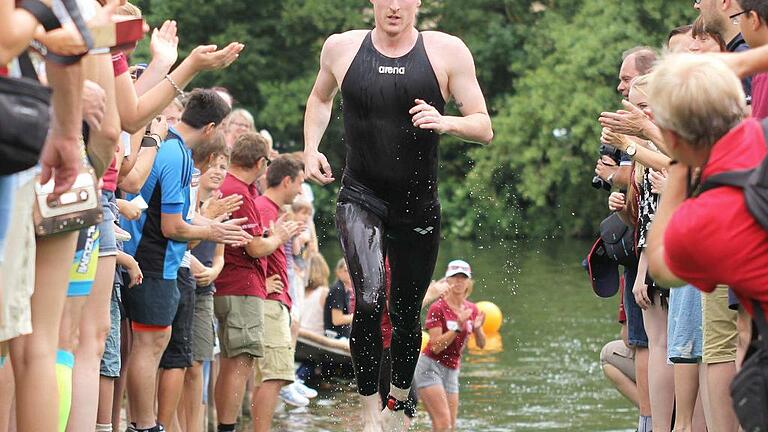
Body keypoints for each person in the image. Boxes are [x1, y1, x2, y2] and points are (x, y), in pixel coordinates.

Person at [303, 1, 492, 429]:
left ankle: (399, 402)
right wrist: (311, 147)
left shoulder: (447, 51)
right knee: (369, 299)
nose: (393, 6)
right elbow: (319, 99)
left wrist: (446, 123)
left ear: (417, 3)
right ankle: (371, 412)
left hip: (417, 206)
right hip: (360, 195)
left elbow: (483, 125)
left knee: (406, 314)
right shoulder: (341, 48)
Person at [644, 53, 762, 430]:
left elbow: (661, 266)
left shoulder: (705, 219)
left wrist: (678, 167)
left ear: (674, 138)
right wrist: (737, 65)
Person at [121, 89, 250, 432]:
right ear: (211, 128)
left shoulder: (169, 145)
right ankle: (144, 424)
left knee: (151, 345)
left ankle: (139, 422)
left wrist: (210, 225)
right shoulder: (178, 155)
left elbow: (177, 215)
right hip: (155, 260)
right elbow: (172, 225)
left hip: (149, 257)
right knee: (150, 346)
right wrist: (213, 234)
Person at [213, 133, 301, 432]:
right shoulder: (240, 190)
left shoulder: (230, 186)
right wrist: (279, 237)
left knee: (231, 362)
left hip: (229, 283)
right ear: (261, 163)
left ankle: (226, 425)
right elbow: (253, 247)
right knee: (239, 363)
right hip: (240, 286)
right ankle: (227, 427)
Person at [250, 155, 308, 424]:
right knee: (274, 375)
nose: (300, 190)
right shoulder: (263, 208)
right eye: (299, 183)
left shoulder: (273, 210)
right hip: (268, 302)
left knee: (270, 376)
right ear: (287, 181)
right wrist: (260, 284)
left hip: (275, 300)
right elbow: (245, 250)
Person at [413, 260, 485, 432]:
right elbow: (436, 346)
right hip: (429, 367)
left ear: (469, 282)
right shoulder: (438, 308)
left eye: (463, 277)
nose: (458, 282)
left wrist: (478, 329)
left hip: (452, 369)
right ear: (447, 281)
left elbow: (482, 345)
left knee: (450, 427)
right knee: (443, 423)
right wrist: (458, 327)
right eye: (454, 277)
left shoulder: (472, 309)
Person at [324, 259, 354, 339]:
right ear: (338, 272)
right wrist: (356, 317)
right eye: (346, 270)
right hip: (335, 336)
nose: (350, 273)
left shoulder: (346, 291)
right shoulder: (338, 289)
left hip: (338, 335)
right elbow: (337, 320)